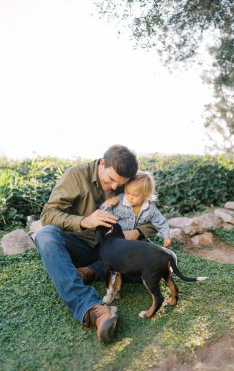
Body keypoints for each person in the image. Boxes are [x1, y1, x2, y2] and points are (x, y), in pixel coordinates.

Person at [35, 145, 156, 343]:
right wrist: (83, 221)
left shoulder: (131, 180)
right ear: (102, 163)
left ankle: (91, 271)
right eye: (111, 180)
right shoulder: (75, 175)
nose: (115, 188)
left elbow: (153, 217)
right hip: (80, 246)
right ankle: (92, 309)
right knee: (45, 236)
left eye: (121, 184)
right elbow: (48, 215)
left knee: (148, 267)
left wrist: (137, 232)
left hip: (114, 249)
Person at [100, 171, 177, 263]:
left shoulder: (150, 208)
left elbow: (160, 222)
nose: (130, 198)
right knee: (118, 254)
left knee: (149, 253)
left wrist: (166, 236)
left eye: (135, 195)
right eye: (127, 193)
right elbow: (103, 213)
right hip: (119, 238)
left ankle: (150, 263)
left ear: (145, 195)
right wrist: (108, 204)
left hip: (139, 239)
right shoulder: (118, 201)